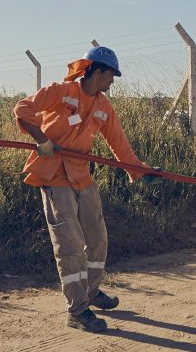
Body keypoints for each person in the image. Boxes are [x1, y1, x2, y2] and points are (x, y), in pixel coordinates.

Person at [14, 45, 146, 332]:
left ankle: (91, 292)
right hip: (53, 176)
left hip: (81, 176)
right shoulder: (60, 92)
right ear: (96, 72)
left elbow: (118, 142)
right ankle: (77, 311)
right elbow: (23, 109)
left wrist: (139, 169)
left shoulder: (103, 106)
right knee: (70, 244)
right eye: (111, 75)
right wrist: (42, 140)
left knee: (97, 237)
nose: (113, 81)